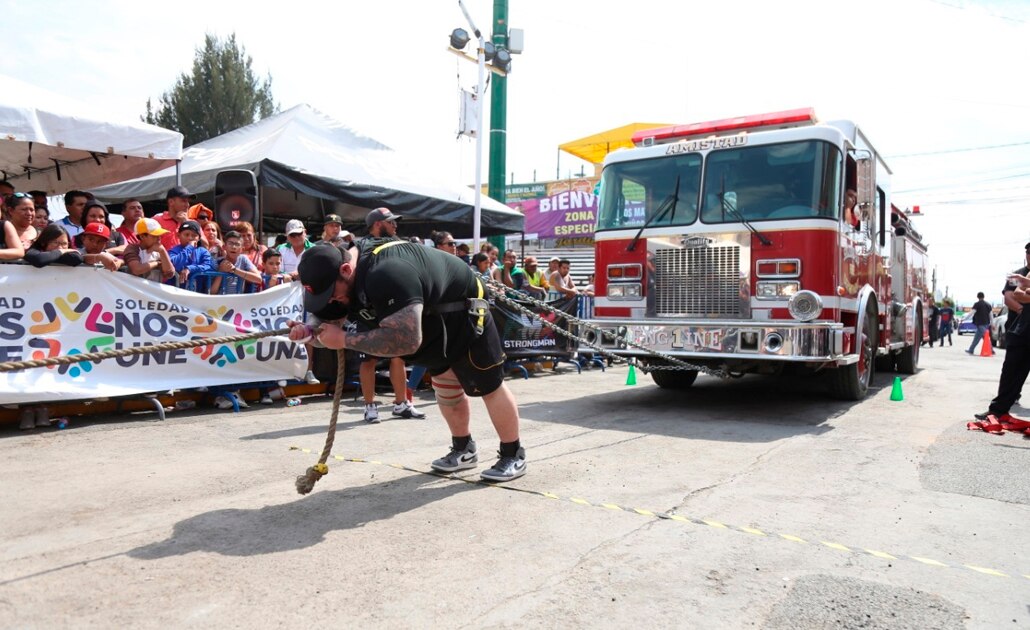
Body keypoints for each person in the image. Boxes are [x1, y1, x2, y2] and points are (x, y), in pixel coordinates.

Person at [289, 239, 528, 481]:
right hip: (430, 316)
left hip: (462, 311)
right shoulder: (343, 280)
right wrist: (309, 333)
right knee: (444, 383)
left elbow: (406, 341)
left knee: (488, 384)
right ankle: (463, 449)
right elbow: (324, 323)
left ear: (346, 270)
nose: (330, 301)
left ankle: (513, 454)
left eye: (330, 294)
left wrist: (344, 340)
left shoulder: (387, 273)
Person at [354, 207, 426, 423]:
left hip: (395, 308)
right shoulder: (359, 245)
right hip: (368, 310)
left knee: (398, 356)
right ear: (377, 224)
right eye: (390, 222)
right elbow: (349, 266)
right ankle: (369, 406)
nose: (395, 225)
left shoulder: (399, 243)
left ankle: (401, 403)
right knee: (370, 358)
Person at [973, 270, 1030, 429]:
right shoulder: (1021, 273)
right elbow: (1017, 294)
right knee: (1010, 369)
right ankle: (998, 411)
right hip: (1023, 326)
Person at [208, 230, 262, 294]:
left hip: (238, 301)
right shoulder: (216, 262)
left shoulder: (243, 259)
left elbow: (258, 279)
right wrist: (220, 271)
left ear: (242, 249)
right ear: (224, 247)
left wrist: (234, 270)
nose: (234, 247)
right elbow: (211, 292)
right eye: (230, 243)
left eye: (237, 244)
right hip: (220, 301)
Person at [123, 218, 175, 282]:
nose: (159, 238)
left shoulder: (159, 250)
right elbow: (137, 269)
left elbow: (170, 274)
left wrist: (163, 251)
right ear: (142, 236)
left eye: (160, 235)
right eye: (155, 236)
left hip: (152, 291)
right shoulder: (132, 248)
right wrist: (157, 263)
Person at [167, 220, 214, 290]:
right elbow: (174, 263)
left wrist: (190, 268)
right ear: (178, 235)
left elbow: (209, 266)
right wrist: (189, 247)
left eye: (194, 235)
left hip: (198, 295)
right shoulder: (173, 251)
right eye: (186, 234)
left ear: (199, 238)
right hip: (174, 294)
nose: (190, 238)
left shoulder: (203, 251)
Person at [1002, 242, 1030, 334]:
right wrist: (1022, 310)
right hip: (1016, 326)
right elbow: (1008, 298)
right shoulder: (1017, 275)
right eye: (1028, 252)